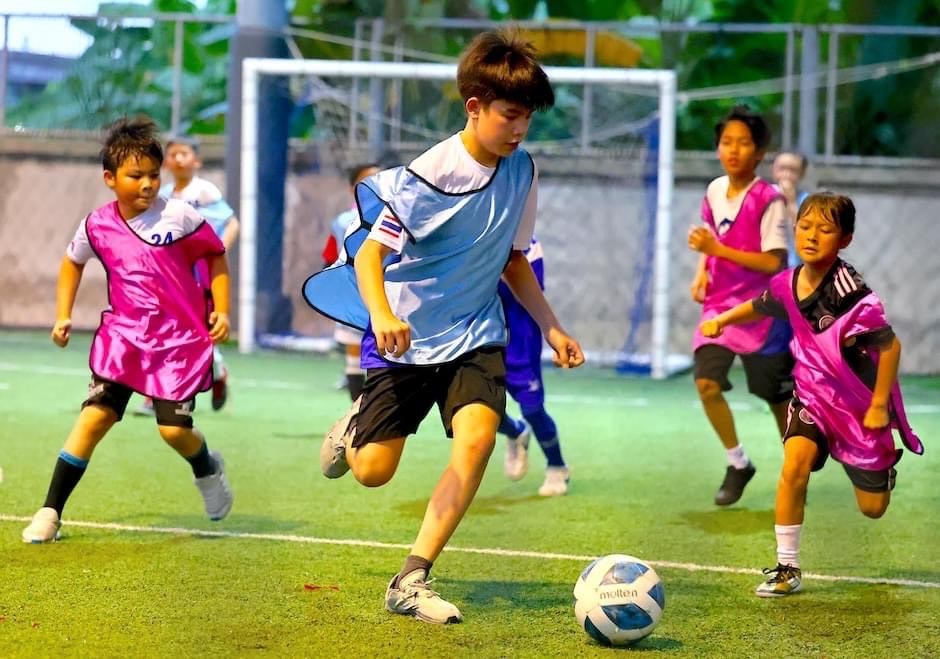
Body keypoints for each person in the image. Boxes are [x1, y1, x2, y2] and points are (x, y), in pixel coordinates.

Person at [303, 29, 584, 624]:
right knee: (374, 472)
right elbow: (371, 257)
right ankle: (354, 424)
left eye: (527, 119)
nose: (518, 130)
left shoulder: (522, 170)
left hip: (477, 333)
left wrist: (553, 328)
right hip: (404, 337)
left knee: (477, 440)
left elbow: (513, 258)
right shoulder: (427, 176)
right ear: (474, 107)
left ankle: (411, 577)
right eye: (509, 115)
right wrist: (382, 315)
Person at [699, 192, 924, 596]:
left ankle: (883, 469)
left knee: (873, 510)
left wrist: (877, 406)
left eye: (825, 229)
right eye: (805, 226)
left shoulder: (853, 293)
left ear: (845, 239)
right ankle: (787, 568)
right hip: (812, 398)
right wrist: (722, 320)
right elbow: (760, 304)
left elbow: (891, 348)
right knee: (794, 468)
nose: (811, 235)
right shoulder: (787, 281)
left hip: (858, 410)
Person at [21, 117, 234, 543]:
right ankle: (50, 511)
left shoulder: (182, 216)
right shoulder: (95, 225)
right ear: (110, 179)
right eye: (136, 176)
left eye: (154, 175)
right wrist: (62, 314)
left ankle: (206, 465)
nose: (148, 184)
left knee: (173, 430)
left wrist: (223, 310)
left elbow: (215, 256)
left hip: (179, 344)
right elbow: (72, 262)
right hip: (124, 339)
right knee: (93, 418)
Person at [688, 105, 794, 507]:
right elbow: (711, 235)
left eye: (743, 143)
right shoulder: (715, 190)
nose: (733, 149)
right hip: (718, 306)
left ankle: (798, 461)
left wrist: (717, 249)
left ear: (760, 152)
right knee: (706, 383)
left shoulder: (770, 201)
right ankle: (738, 462)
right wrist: (703, 269)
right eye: (726, 141)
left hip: (760, 310)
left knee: (773, 395)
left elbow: (774, 262)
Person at [135, 135, 239, 415]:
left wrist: (216, 254)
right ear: (166, 161)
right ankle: (157, 393)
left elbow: (232, 224)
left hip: (200, 273)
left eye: (184, 153)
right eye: (173, 154)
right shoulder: (164, 194)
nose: (178, 159)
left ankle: (215, 371)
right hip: (171, 274)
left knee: (197, 330)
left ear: (197, 161)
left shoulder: (204, 191)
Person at [496, 238, 570, 496]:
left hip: (519, 338)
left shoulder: (527, 245)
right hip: (477, 334)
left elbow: (526, 289)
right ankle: (515, 432)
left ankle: (557, 465)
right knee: (481, 405)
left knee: (532, 408)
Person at [321, 163, 381, 401]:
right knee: (354, 355)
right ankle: (357, 415)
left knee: (383, 357)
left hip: (389, 296)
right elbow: (330, 257)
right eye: (367, 181)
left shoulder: (400, 216)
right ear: (352, 188)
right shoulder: (344, 221)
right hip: (354, 294)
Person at [771, 150, 810, 267]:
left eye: (793, 170)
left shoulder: (807, 200)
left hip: (794, 266)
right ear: (774, 169)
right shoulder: (763, 194)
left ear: (801, 174)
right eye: (782, 169)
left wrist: (791, 202)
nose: (786, 175)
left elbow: (805, 234)